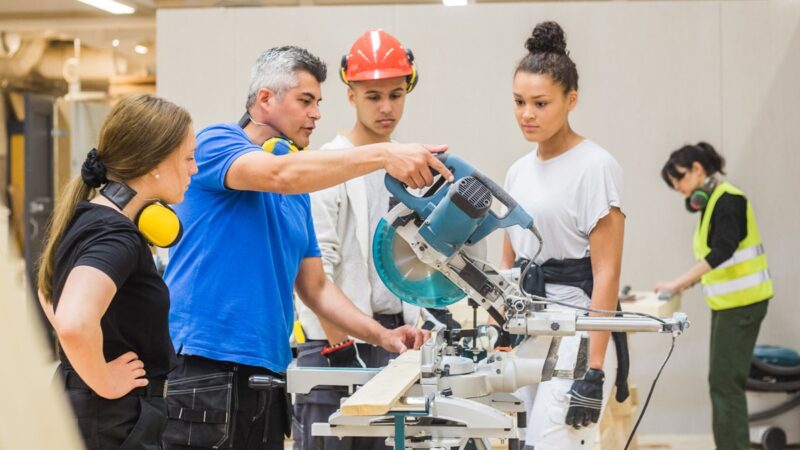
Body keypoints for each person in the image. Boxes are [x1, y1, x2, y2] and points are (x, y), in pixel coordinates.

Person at [162, 46, 449, 450]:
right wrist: (385, 153)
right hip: (205, 367)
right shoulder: (216, 143)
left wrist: (382, 336)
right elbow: (279, 174)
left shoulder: (296, 193)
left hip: (266, 373)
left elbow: (316, 287)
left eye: (318, 103)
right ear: (265, 98)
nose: (316, 114)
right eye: (305, 101)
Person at [292, 29, 434, 450]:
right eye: (373, 96)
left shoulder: (411, 165)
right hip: (333, 344)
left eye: (395, 94)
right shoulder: (326, 166)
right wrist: (343, 347)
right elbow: (316, 273)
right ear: (350, 94)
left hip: (394, 341)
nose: (386, 107)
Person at [36, 94, 197, 450]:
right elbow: (73, 321)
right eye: (188, 157)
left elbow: (47, 290)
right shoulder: (116, 235)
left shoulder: (88, 216)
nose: (194, 169)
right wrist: (104, 380)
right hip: (112, 417)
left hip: (96, 412)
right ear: (154, 163)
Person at [499, 22, 625, 449]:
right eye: (519, 102)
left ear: (571, 100)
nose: (527, 114)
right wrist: (502, 336)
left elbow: (606, 274)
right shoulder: (517, 172)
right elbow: (509, 263)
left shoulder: (596, 167)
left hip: (575, 332)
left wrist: (595, 369)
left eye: (540, 103)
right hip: (527, 331)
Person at [655, 142, 771, 450]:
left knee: (725, 385)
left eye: (679, 179)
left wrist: (679, 282)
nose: (678, 188)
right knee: (722, 383)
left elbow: (722, 251)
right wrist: (685, 284)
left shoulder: (728, 200)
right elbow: (719, 261)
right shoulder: (714, 203)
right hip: (730, 305)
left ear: (697, 169)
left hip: (742, 305)